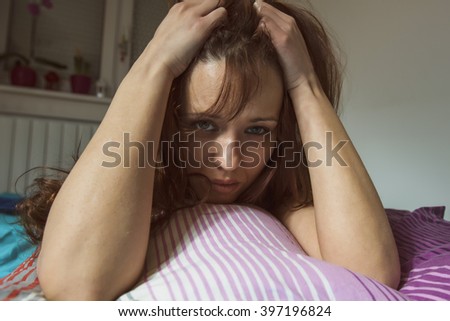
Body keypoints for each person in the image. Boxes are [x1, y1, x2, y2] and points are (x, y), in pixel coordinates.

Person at [17, 0, 400, 300]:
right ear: (166, 120)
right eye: (203, 125)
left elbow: (370, 274)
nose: (230, 160)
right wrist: (155, 64)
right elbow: (74, 285)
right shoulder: (139, 196)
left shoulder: (277, 203)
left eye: (256, 130)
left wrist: (306, 85)